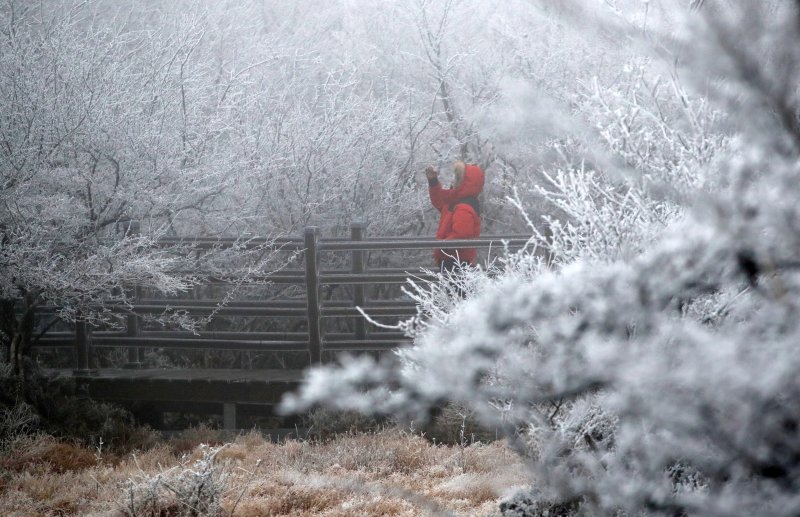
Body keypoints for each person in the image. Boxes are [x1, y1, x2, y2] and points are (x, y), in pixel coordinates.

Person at [425, 160, 485, 274]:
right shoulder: (457, 200)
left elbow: (460, 236)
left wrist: (442, 246)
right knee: (455, 291)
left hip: (456, 261)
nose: (453, 180)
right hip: (454, 259)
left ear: (463, 181)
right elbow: (440, 200)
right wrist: (433, 181)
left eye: (456, 177)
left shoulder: (463, 208)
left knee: (456, 291)